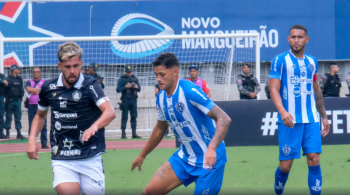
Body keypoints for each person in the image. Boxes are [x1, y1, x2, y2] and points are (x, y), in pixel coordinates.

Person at [131, 52, 231, 195]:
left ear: (175, 72)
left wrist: (212, 148)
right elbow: (160, 128)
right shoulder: (160, 97)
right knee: (149, 192)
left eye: (162, 74)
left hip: (210, 161)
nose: (158, 79)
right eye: (156, 75)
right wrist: (142, 155)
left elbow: (224, 118)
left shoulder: (189, 91)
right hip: (185, 158)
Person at [26, 42, 116, 195]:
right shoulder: (48, 88)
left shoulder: (91, 85)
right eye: (67, 67)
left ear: (81, 64)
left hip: (90, 156)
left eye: (76, 66)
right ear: (59, 66)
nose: (72, 71)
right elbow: (40, 116)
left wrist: (95, 126)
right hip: (63, 157)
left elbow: (109, 112)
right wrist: (32, 139)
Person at [269, 25, 330, 195]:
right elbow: (273, 89)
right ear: (288, 39)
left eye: (300, 37)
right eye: (293, 37)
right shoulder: (280, 60)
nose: (296, 40)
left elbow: (316, 90)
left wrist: (323, 115)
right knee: (286, 165)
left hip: (311, 119)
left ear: (306, 40)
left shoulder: (312, 62)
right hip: (290, 120)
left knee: (314, 159)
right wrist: (282, 112)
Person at [25, 67, 49, 149]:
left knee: (43, 124)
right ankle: (32, 142)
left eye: (38, 72)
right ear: (32, 73)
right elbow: (28, 89)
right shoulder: (29, 82)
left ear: (41, 73)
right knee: (31, 124)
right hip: (32, 106)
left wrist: (33, 91)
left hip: (42, 106)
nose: (36, 73)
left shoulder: (44, 82)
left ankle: (44, 143)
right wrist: (38, 90)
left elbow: (44, 91)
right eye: (34, 72)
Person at [116, 65, 141, 139]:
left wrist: (136, 87)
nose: (129, 73)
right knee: (124, 117)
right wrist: (125, 87)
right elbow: (118, 90)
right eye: (128, 72)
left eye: (130, 72)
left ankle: (134, 133)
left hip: (133, 100)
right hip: (125, 100)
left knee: (134, 117)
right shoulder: (122, 79)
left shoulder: (135, 78)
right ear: (125, 71)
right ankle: (123, 134)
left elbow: (139, 89)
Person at [4, 64, 25, 139]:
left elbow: (21, 89)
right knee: (8, 117)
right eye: (18, 69)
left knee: (18, 117)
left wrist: (20, 99)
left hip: (18, 101)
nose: (19, 70)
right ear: (13, 70)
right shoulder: (8, 78)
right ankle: (7, 134)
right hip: (10, 101)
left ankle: (19, 133)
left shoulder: (20, 79)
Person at [0, 72, 8, 139]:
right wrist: (2, 81)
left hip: (1, 97)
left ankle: (1, 132)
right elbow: (3, 82)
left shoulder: (2, 75)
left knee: (1, 116)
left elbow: (5, 84)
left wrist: (2, 81)